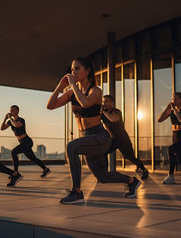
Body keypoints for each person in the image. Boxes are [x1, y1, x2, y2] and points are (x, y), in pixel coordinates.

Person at [47, 57, 141, 204]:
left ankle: (77, 192)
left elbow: (85, 103)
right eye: (72, 69)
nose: (73, 72)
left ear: (88, 70)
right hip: (86, 139)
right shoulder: (71, 93)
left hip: (99, 136)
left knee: (71, 147)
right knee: (103, 177)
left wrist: (72, 84)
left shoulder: (96, 91)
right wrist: (60, 87)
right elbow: (50, 106)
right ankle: (132, 181)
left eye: (77, 68)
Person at [101, 95, 149, 179]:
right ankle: (104, 173)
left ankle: (144, 169)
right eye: (103, 102)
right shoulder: (103, 113)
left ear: (112, 103)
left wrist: (103, 112)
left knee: (130, 157)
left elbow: (113, 119)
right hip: (113, 140)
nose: (104, 104)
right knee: (103, 152)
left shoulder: (116, 111)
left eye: (106, 102)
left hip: (123, 139)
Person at [0, 105, 50, 177]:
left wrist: (10, 118)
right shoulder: (10, 121)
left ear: (17, 111)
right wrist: (5, 119)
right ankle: (45, 169)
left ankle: (16, 173)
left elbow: (16, 125)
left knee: (14, 152)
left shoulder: (21, 120)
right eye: (10, 110)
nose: (10, 112)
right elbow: (2, 128)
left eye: (12, 110)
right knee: (33, 158)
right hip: (22, 142)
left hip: (27, 141)